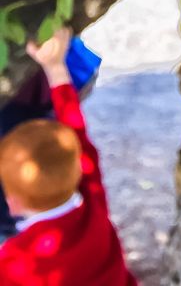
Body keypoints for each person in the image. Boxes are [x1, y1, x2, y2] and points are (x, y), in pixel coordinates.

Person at [0, 28, 137, 284]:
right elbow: (77, 134)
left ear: (12, 203)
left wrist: (55, 69)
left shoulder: (13, 261)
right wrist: (56, 68)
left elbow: (77, 135)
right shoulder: (92, 204)